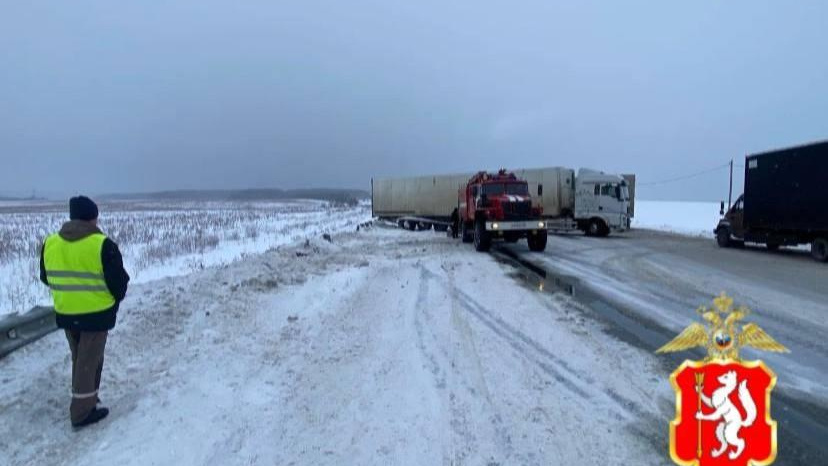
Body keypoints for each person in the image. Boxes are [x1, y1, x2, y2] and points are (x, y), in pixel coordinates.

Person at [39, 196, 129, 429]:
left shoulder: (50, 243)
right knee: (89, 361)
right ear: (92, 218)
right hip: (96, 313)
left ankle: (88, 396)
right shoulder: (102, 245)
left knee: (81, 359)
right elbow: (119, 283)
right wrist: (112, 300)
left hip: (66, 313)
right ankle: (81, 412)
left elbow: (45, 277)